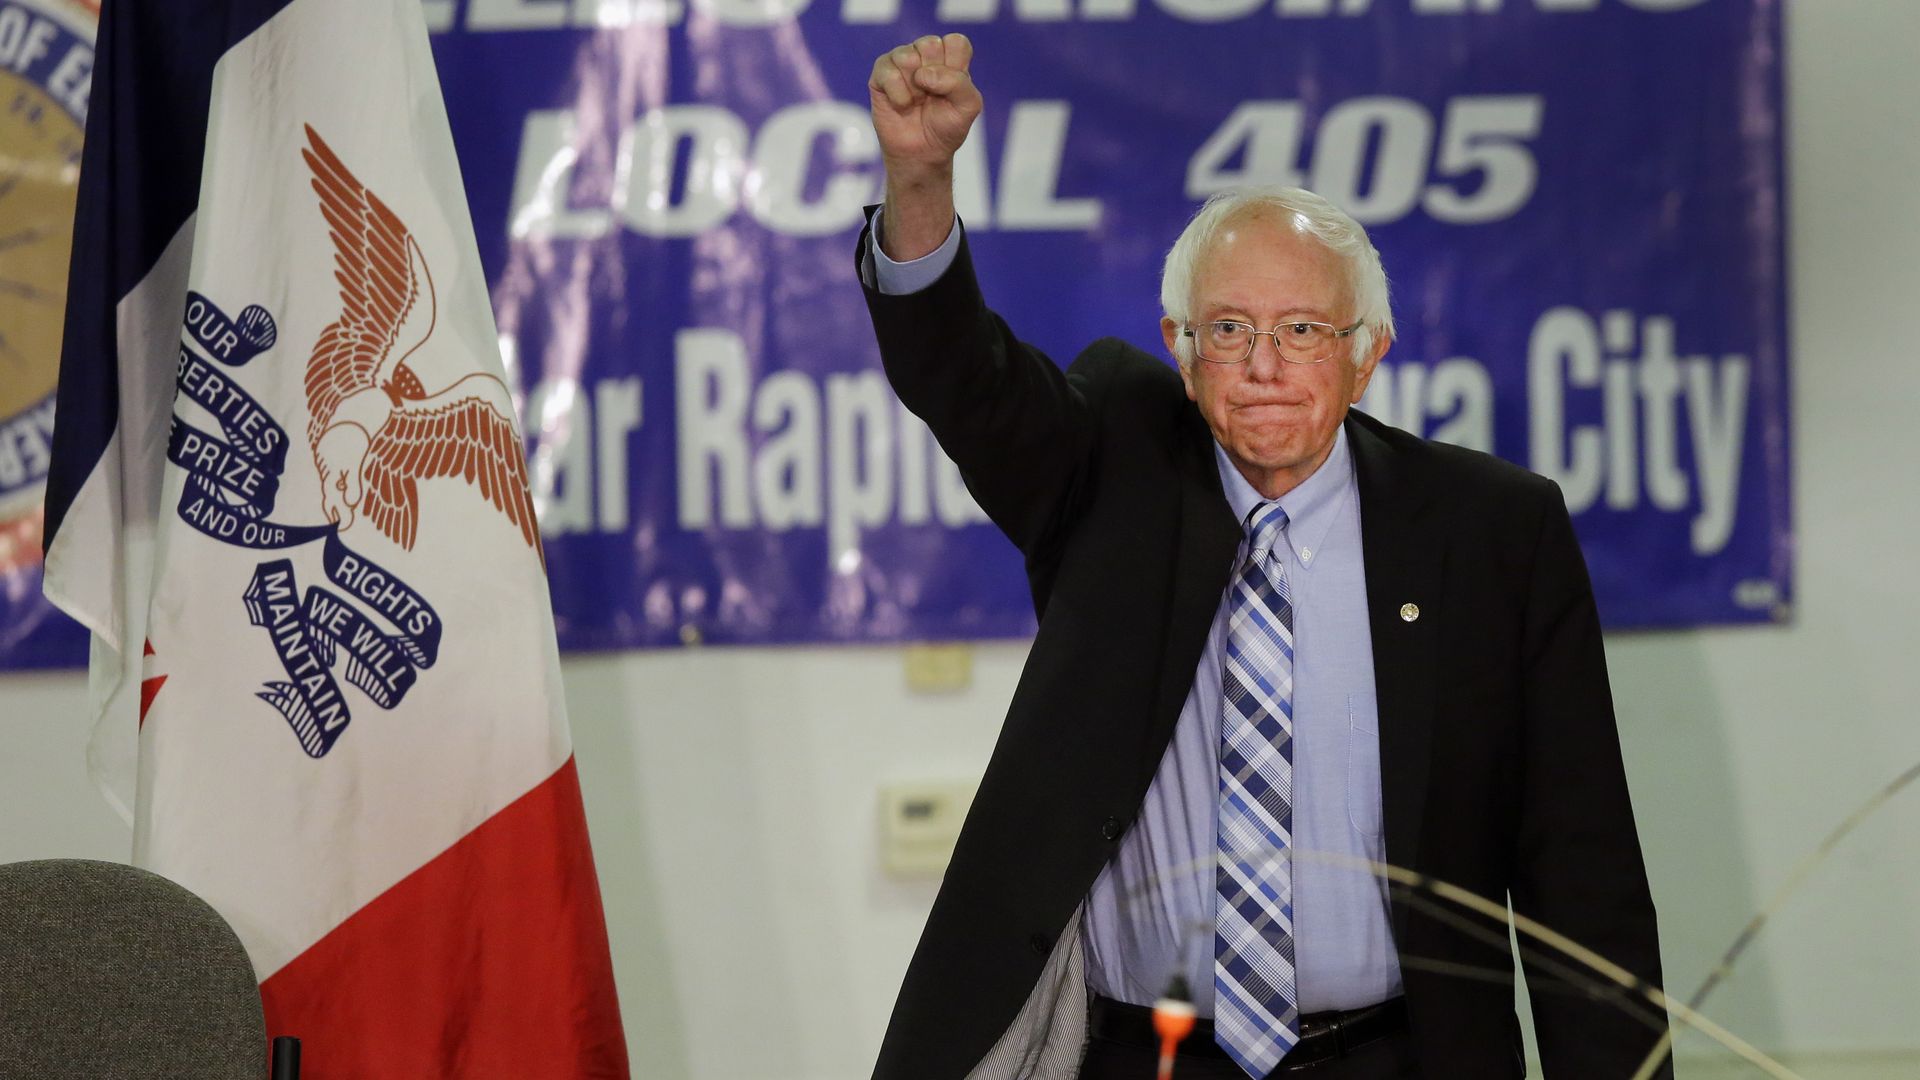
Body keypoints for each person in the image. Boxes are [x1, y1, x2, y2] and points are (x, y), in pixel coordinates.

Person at [858, 32, 1669, 1080]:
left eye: (1303, 332)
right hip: (1145, 1055)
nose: (1265, 367)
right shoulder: (1112, 467)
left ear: (1367, 355)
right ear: (1180, 351)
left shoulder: (1492, 532)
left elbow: (1582, 873)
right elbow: (963, 378)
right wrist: (920, 180)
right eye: (1231, 330)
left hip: (1395, 1059)